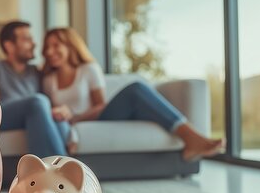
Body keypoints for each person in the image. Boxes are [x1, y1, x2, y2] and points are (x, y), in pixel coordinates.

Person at [41, 27, 223, 161]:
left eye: (56, 45)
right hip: (67, 123)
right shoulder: (49, 80)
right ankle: (191, 138)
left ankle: (191, 138)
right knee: (137, 91)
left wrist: (76, 117)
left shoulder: (88, 70)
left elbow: (100, 105)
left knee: (136, 89)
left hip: (96, 118)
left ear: (70, 45)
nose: (50, 51)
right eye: (47, 47)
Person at [0, 21, 69, 157]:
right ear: (9, 46)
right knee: (37, 101)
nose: (34, 44)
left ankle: (57, 166)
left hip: (31, 115)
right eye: (27, 39)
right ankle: (57, 168)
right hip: (2, 116)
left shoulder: (35, 72)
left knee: (56, 117)